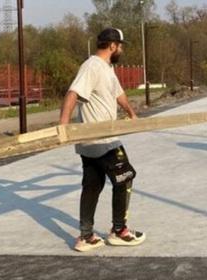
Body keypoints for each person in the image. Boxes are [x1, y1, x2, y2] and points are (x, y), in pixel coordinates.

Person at [59, 28, 145, 252]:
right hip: (103, 140)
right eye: (121, 46)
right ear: (113, 45)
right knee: (125, 178)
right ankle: (119, 231)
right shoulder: (92, 66)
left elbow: (118, 94)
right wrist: (63, 125)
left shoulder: (107, 68)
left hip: (91, 143)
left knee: (93, 185)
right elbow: (72, 93)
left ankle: (86, 237)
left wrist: (131, 114)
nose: (122, 50)